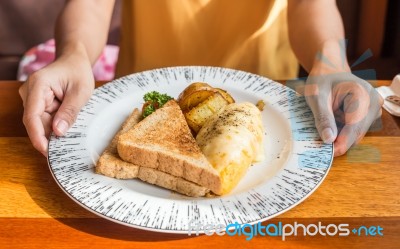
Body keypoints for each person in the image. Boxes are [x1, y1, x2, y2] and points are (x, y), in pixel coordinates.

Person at [19, 0, 383, 157]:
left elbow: (310, 4)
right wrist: (74, 54)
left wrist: (333, 63)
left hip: (267, 101)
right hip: (139, 99)